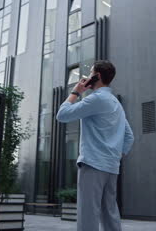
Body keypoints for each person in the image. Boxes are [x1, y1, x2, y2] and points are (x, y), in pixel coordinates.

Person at [56, 60, 135, 231]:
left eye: (91, 73)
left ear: (97, 76)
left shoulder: (96, 99)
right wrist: (114, 156)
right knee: (110, 213)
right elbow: (129, 137)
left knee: (88, 214)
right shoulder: (116, 104)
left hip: (93, 164)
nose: (88, 77)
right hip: (111, 167)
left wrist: (76, 92)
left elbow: (62, 115)